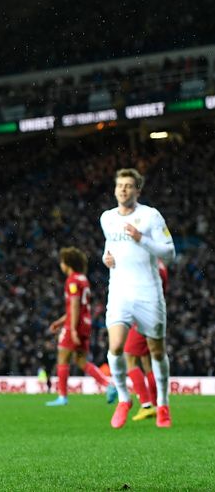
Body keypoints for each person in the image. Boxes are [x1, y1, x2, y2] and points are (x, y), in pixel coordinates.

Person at [101, 168, 175, 428]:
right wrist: (105, 259)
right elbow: (109, 249)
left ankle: (163, 405)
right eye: (120, 185)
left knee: (156, 351)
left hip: (148, 292)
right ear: (115, 190)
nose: (123, 189)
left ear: (137, 191)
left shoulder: (150, 216)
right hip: (120, 292)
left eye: (129, 186)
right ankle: (124, 399)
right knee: (116, 348)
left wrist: (141, 238)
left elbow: (169, 253)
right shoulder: (107, 218)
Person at [44, 247, 111, 406]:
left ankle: (62, 396)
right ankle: (109, 385)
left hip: (76, 325)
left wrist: (71, 329)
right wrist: (59, 322)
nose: (61, 265)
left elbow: (74, 305)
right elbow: (78, 307)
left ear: (67, 263)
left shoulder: (72, 280)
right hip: (85, 324)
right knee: (80, 360)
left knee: (63, 357)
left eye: (62, 262)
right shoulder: (83, 279)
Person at [122, 259, 169, 421]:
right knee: (147, 361)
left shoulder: (147, 264)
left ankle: (146, 404)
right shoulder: (160, 264)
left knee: (129, 357)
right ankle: (156, 404)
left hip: (143, 315)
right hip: (156, 314)